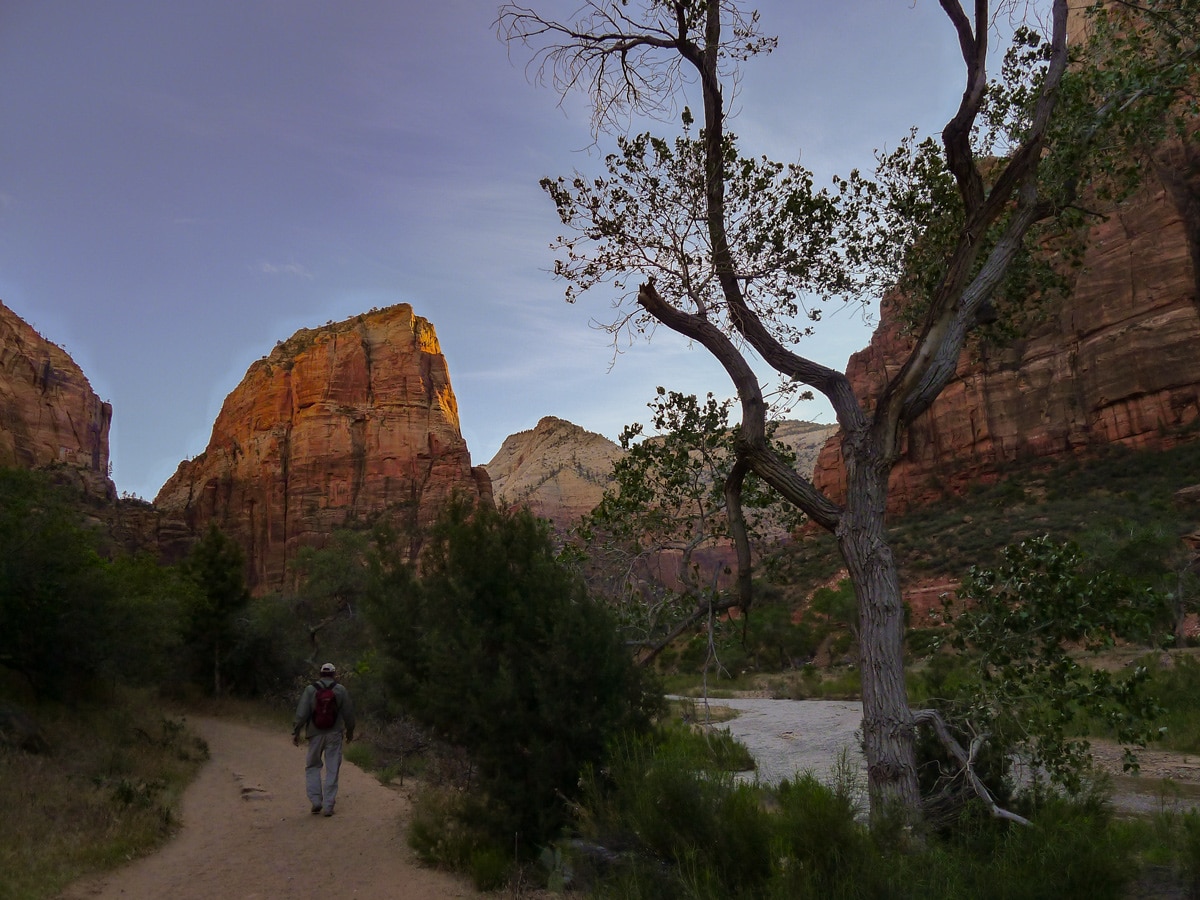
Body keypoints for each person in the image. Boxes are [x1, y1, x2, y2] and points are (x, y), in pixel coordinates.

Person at [293, 662, 355, 816]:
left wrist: (296, 731)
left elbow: (301, 714)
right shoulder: (340, 690)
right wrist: (350, 732)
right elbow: (349, 714)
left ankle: (315, 801)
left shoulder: (310, 690)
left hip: (315, 733)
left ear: (320, 674)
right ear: (334, 674)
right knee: (332, 768)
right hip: (334, 734)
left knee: (313, 766)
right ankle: (328, 805)